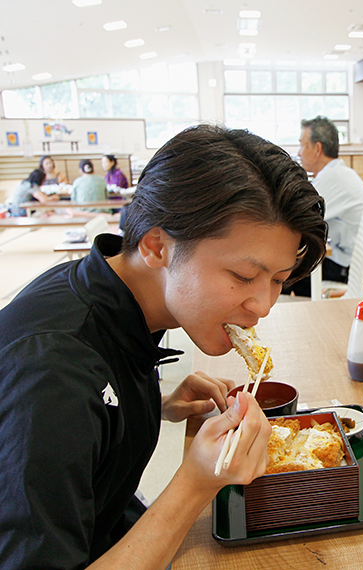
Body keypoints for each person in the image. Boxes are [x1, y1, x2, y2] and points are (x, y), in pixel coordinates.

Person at [0, 124, 328, 568]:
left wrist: (154, 404)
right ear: (158, 246)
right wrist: (196, 483)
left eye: (278, 280)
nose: (263, 305)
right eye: (244, 276)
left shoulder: (111, 289)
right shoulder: (52, 371)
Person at [284, 115, 363, 297]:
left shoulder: (331, 178)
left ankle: (306, 315)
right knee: (297, 264)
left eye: (303, 145)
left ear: (317, 148)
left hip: (361, 268)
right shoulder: (338, 172)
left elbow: (294, 217)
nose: (299, 152)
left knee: (289, 271)